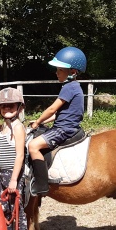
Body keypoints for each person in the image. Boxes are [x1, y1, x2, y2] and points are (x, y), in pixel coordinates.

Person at [28, 46, 87, 196]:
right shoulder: (75, 87)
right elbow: (60, 114)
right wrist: (42, 122)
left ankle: (41, 185)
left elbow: (52, 109)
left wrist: (37, 122)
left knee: (33, 146)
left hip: (64, 130)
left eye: (60, 70)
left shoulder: (68, 88)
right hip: (67, 126)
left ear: (72, 72)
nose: (56, 72)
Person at [0, 87, 28, 230]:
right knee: (5, 209)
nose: (7, 109)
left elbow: (19, 155)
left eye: (12, 105)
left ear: (19, 108)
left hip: (14, 176)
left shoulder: (18, 127)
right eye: (4, 106)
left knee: (17, 211)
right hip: (2, 175)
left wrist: (14, 180)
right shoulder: (2, 128)